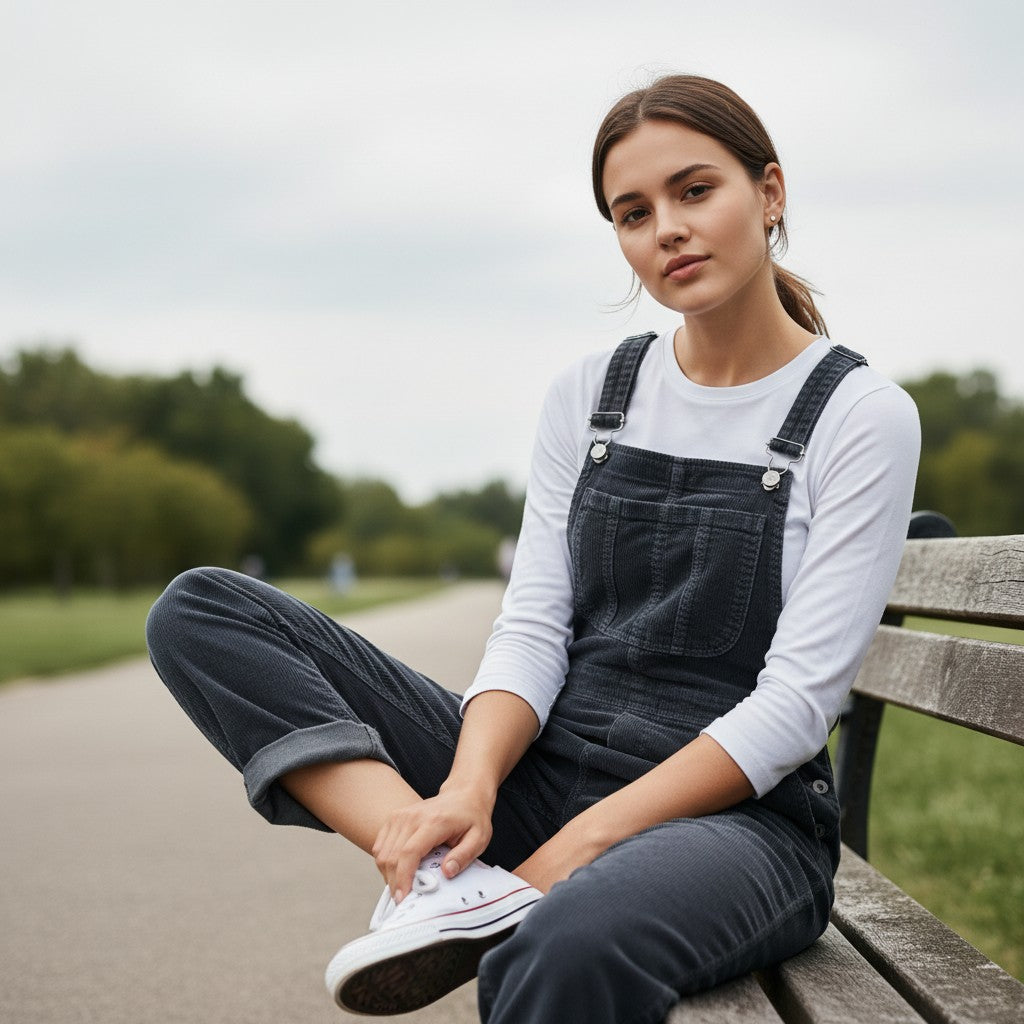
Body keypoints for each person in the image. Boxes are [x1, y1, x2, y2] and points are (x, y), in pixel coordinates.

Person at [146, 74, 920, 1022]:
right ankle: (438, 877)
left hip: (736, 826)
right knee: (203, 610)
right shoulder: (593, 394)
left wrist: (573, 853)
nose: (666, 229)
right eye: (632, 214)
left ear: (769, 193)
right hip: (547, 770)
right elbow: (534, 625)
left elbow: (797, 707)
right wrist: (468, 791)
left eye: (694, 191)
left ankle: (488, 900)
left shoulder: (860, 415)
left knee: (561, 950)